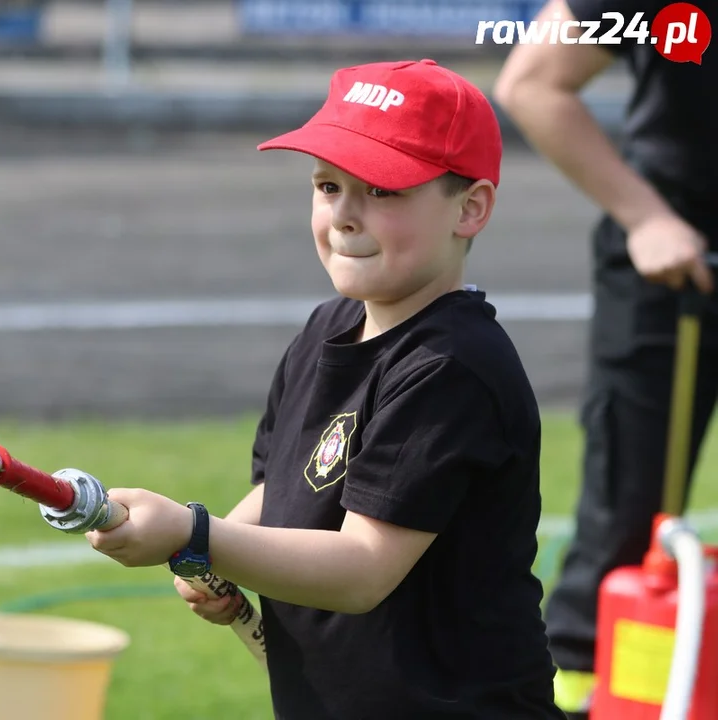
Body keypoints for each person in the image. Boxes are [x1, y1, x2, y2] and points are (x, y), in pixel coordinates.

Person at [85, 58, 564, 719]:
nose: (344, 214)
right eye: (328, 185)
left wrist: (199, 533)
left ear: (470, 208)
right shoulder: (327, 329)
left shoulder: (452, 366)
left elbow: (363, 569)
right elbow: (284, 492)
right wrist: (205, 541)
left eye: (383, 191)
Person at [494, 1, 718, 716]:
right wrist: (647, 217)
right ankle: (578, 697)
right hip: (674, 265)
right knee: (629, 515)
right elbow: (532, 81)